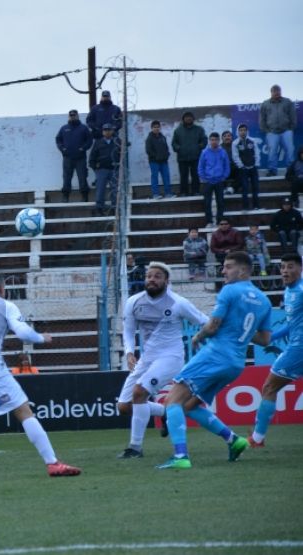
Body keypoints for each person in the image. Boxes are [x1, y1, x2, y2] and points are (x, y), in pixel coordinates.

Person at [0, 271, 80, 480]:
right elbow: (22, 333)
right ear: (3, 290)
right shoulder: (6, 305)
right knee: (23, 411)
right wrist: (41, 338)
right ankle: (52, 463)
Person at [157, 251, 272, 470]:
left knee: (172, 401)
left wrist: (197, 336)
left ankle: (180, 456)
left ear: (243, 270)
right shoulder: (264, 301)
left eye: (228, 266)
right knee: (189, 406)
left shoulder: (229, 290)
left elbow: (212, 325)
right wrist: (240, 331)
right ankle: (234, 440)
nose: (223, 271)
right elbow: (265, 339)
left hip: (215, 354)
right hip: (236, 363)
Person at [117, 262, 209, 459]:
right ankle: (167, 412)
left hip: (170, 357)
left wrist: (202, 338)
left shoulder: (178, 303)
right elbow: (128, 330)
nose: (152, 279)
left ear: (166, 281)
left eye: (157, 276)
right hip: (147, 358)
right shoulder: (133, 301)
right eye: (149, 276)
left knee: (139, 393)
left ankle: (135, 447)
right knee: (124, 406)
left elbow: (205, 321)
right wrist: (129, 352)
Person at [249, 253, 303, 447]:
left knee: (269, 387)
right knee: (270, 387)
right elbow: (292, 324)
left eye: (290, 267)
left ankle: (257, 438)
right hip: (295, 346)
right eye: (282, 267)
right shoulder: (289, 292)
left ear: (300, 268)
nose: (285, 271)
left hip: (298, 349)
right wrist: (272, 337)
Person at [259, 85, 297, 177]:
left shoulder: (287, 102)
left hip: (286, 131)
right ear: (271, 92)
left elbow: (293, 115)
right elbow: (262, 119)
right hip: (272, 132)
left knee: (290, 151)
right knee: (272, 152)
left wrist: (291, 128)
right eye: (275, 91)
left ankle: (290, 170)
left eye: (278, 90)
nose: (277, 92)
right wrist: (266, 130)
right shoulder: (265, 104)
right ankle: (272, 170)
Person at [55, 109, 92, 202]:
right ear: (69, 116)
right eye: (71, 115)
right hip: (67, 158)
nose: (72, 117)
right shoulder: (64, 128)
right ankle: (65, 196)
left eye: (74, 115)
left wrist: (83, 148)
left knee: (82, 177)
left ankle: (84, 196)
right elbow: (58, 140)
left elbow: (89, 140)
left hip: (80, 158)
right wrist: (62, 149)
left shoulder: (83, 128)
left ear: (77, 116)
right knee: (66, 177)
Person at [198, 132, 231, 226]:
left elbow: (226, 166)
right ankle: (209, 221)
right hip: (208, 182)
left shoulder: (223, 152)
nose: (214, 142)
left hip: (219, 181)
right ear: (209, 141)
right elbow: (200, 167)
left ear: (219, 140)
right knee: (207, 202)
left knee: (220, 202)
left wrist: (224, 176)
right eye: (212, 140)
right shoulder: (204, 152)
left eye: (216, 140)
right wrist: (204, 178)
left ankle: (219, 221)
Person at [172, 111, 207, 197]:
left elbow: (204, 140)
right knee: (183, 176)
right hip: (182, 158)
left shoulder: (199, 129)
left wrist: (199, 147)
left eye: (190, 117)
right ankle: (184, 192)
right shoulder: (178, 130)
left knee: (195, 175)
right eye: (186, 117)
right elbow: (174, 143)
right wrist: (179, 148)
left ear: (193, 119)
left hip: (196, 157)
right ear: (183, 119)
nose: (188, 118)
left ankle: (196, 191)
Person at [88, 123, 119, 216]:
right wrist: (95, 168)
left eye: (109, 130)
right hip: (102, 169)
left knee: (115, 189)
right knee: (100, 189)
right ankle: (100, 207)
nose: (107, 132)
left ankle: (115, 207)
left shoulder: (117, 141)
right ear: (102, 132)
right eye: (105, 130)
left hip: (114, 169)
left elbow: (123, 153)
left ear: (112, 131)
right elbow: (92, 157)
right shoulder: (98, 142)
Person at [233, 123, 262, 211]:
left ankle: (256, 206)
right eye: (241, 130)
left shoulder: (252, 140)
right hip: (243, 169)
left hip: (253, 168)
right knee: (245, 188)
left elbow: (257, 152)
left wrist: (256, 164)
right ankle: (245, 207)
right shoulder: (235, 143)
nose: (243, 132)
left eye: (244, 130)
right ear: (238, 131)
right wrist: (241, 166)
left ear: (247, 131)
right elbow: (235, 156)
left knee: (255, 187)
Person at [145, 120, 173, 199]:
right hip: (154, 162)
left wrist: (167, 155)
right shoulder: (149, 138)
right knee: (155, 177)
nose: (156, 129)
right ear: (151, 128)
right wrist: (156, 157)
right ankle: (155, 194)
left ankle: (168, 193)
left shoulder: (163, 137)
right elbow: (148, 150)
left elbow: (166, 148)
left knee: (166, 177)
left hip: (164, 161)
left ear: (160, 128)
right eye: (155, 127)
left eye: (158, 127)